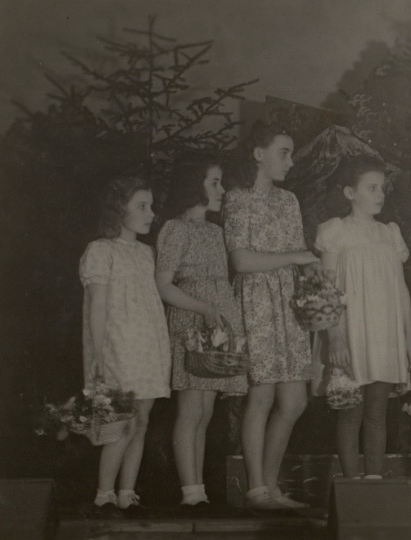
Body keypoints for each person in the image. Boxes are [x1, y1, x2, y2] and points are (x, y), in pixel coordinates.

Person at [223, 121, 319, 510]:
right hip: (257, 300)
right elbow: (241, 261)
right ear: (259, 154)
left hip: (289, 301)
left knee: (294, 401)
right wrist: (296, 257)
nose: (290, 162)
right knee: (261, 395)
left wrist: (314, 276)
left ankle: (272, 487)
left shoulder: (289, 201)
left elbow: (301, 256)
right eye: (284, 152)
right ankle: (256, 490)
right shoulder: (237, 199)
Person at [155, 152, 247, 515]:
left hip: (216, 326)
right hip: (191, 323)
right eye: (214, 183)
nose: (222, 190)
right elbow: (164, 285)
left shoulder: (215, 231)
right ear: (194, 185)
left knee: (206, 411)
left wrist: (225, 316)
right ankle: (190, 491)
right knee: (191, 409)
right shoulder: (175, 229)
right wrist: (205, 309)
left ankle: (199, 491)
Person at [313, 155, 411, 480]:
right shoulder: (336, 231)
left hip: (385, 334)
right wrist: (335, 337)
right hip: (352, 333)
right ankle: (351, 488)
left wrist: (408, 337)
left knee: (377, 414)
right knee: (350, 414)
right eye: (371, 188)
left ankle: (373, 484)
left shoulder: (390, 234)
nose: (380, 194)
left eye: (382, 188)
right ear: (349, 193)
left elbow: (401, 290)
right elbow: (327, 289)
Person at [80, 176, 171, 517]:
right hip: (118, 346)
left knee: (142, 420)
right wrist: (97, 353)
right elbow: (98, 306)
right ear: (119, 209)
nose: (151, 214)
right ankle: (103, 495)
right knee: (122, 422)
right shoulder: (101, 250)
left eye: (151, 207)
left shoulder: (146, 253)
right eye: (141, 207)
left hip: (148, 344)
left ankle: (127, 493)